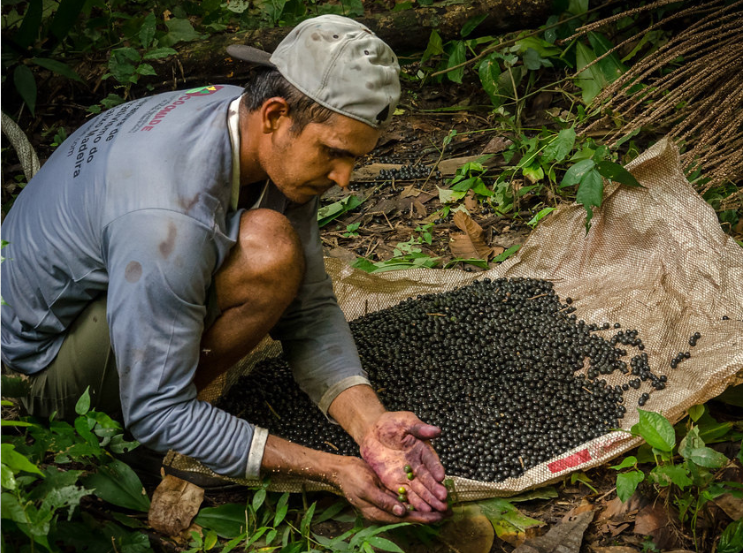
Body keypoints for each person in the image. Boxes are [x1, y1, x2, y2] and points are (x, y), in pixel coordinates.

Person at [1, 14, 449, 523]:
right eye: (334, 154)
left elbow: (310, 306)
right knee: (268, 253)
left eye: (354, 159)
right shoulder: (168, 213)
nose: (344, 179)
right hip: (36, 369)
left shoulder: (254, 125)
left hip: (125, 276)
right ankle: (124, 437)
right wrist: (330, 468)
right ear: (277, 115)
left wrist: (371, 427)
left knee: (275, 247)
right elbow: (158, 410)